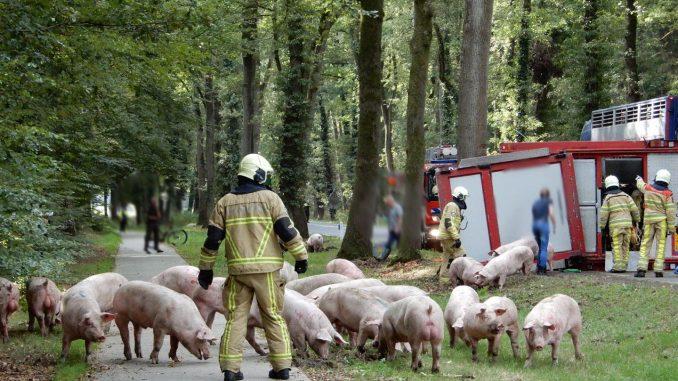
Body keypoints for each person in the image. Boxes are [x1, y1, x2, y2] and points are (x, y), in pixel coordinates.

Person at [196, 153, 308, 381]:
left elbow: (212, 240)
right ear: (258, 174)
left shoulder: (224, 202)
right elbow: (286, 231)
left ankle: (230, 369)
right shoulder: (271, 199)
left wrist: (205, 269)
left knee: (236, 318)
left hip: (238, 273)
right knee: (273, 316)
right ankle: (282, 368)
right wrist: (301, 256)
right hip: (267, 273)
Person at [634, 169, 676, 278]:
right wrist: (672, 229)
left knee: (645, 243)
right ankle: (658, 270)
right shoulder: (668, 194)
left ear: (657, 178)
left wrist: (639, 179)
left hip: (649, 221)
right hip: (661, 222)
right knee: (661, 245)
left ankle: (641, 269)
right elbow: (670, 213)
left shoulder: (648, 188)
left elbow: (640, 185)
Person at [599, 175, 640, 273]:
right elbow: (635, 210)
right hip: (627, 226)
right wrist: (637, 220)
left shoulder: (608, 198)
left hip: (616, 227)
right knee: (626, 246)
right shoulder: (626, 196)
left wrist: (602, 226)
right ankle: (624, 266)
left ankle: (618, 267)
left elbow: (603, 214)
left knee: (617, 246)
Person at [436, 186, 468, 279]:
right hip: (448, 237)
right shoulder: (453, 206)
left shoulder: (454, 206)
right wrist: (456, 238)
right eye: (464, 197)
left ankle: (443, 279)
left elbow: (451, 221)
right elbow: (448, 223)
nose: (465, 199)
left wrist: (459, 220)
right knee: (461, 255)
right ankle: (462, 278)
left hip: (446, 236)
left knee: (447, 257)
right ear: (460, 196)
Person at [532, 188, 556, 275]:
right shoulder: (548, 201)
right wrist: (554, 224)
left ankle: (538, 268)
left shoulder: (536, 203)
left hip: (535, 227)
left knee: (540, 248)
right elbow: (551, 213)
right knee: (543, 248)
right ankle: (542, 270)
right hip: (543, 226)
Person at [379, 195, 403, 261]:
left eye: (387, 203)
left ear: (391, 201)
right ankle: (382, 258)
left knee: (400, 244)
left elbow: (400, 218)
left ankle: (401, 257)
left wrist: (398, 228)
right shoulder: (391, 208)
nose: (387, 204)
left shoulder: (397, 207)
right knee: (388, 244)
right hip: (392, 230)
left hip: (398, 230)